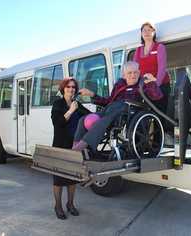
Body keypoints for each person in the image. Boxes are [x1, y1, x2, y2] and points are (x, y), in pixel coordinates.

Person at [72, 61, 163, 152]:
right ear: (124, 75)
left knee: (105, 119)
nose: (133, 75)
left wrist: (152, 83)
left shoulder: (143, 84)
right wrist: (92, 94)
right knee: (83, 119)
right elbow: (108, 101)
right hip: (111, 108)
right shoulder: (120, 85)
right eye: (129, 73)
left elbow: (157, 96)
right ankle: (75, 147)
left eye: (135, 72)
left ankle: (81, 146)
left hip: (128, 111)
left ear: (139, 73)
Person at [51, 77, 90, 220]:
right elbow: (58, 123)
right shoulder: (58, 104)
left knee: (73, 178)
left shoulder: (77, 104)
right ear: (63, 89)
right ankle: (58, 206)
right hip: (60, 145)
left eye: (73, 87)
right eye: (68, 87)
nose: (71, 89)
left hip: (74, 147)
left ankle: (70, 204)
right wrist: (71, 111)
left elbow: (88, 116)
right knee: (59, 179)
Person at [133, 22, 171, 115]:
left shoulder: (159, 47)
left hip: (161, 86)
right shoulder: (138, 50)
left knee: (160, 113)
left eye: (149, 30)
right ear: (141, 34)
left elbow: (162, 68)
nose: (147, 32)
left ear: (153, 32)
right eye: (144, 30)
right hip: (145, 87)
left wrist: (156, 84)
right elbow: (134, 69)